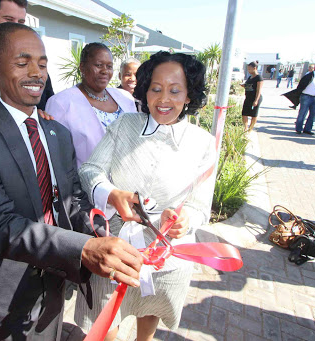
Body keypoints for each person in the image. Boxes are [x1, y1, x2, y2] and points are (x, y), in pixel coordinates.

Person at [0, 23, 143, 341]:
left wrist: (106, 236)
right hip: (9, 290)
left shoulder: (57, 133)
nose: (36, 73)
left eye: (43, 63)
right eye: (22, 63)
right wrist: (85, 248)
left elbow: (72, 200)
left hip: (57, 280)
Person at [75, 51, 215, 341]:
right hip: (115, 247)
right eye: (156, 89)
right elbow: (90, 170)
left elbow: (201, 206)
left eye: (175, 91)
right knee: (104, 317)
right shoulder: (125, 126)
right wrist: (112, 194)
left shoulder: (202, 143)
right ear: (145, 91)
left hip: (167, 254)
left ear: (189, 96)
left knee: (150, 307)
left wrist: (185, 220)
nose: (164, 99)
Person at [45, 43, 137, 167]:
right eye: (98, 65)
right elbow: (57, 156)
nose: (105, 71)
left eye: (109, 66)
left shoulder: (125, 98)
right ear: (82, 67)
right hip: (88, 183)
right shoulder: (61, 103)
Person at [283, 64, 315, 134]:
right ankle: (299, 128)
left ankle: (308, 129)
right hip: (306, 97)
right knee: (303, 113)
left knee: (313, 114)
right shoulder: (308, 76)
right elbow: (300, 86)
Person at [241, 61, 263, 132]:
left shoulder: (259, 77)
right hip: (248, 97)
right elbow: (249, 86)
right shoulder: (250, 77)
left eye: (250, 69)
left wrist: (256, 100)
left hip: (255, 97)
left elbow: (258, 90)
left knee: (254, 114)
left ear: (255, 68)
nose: (249, 71)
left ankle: (250, 129)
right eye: (248, 69)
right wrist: (244, 86)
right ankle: (245, 128)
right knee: (244, 113)